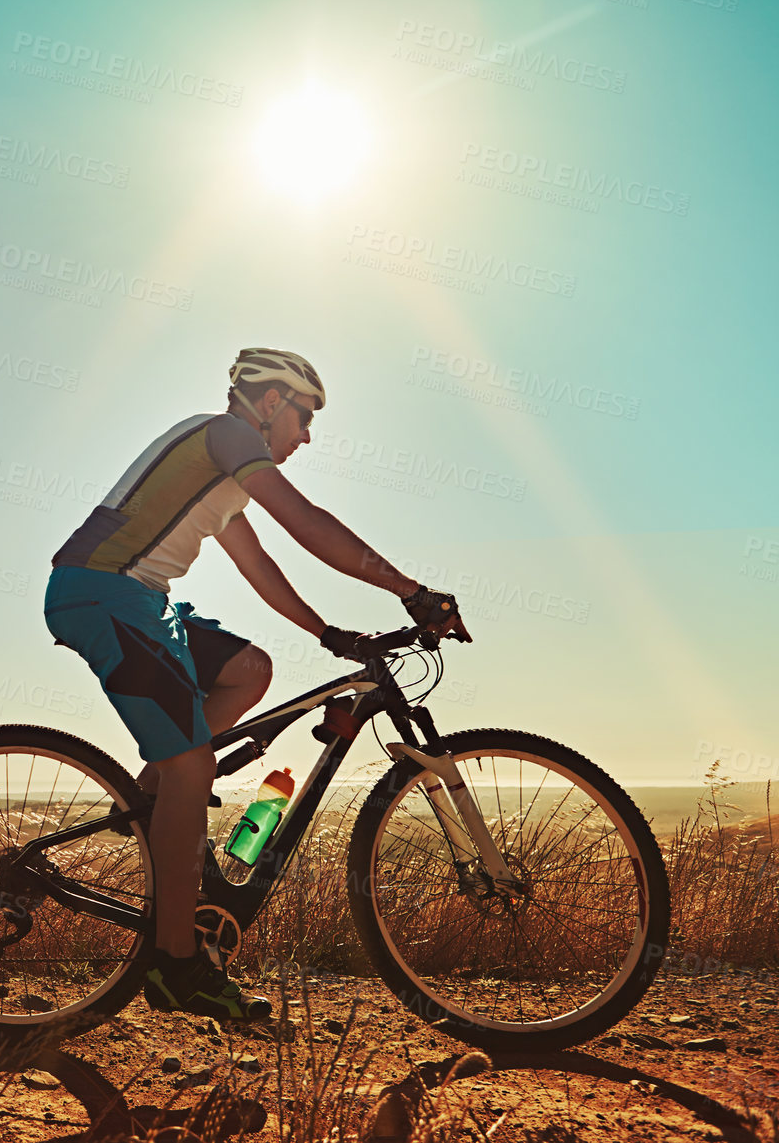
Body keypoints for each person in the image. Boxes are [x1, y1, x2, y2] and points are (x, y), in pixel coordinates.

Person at [43, 347, 466, 1020]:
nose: (306, 435)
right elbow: (304, 522)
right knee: (192, 765)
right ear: (269, 403)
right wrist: (409, 590)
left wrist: (327, 633)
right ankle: (176, 966)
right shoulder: (226, 433)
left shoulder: (222, 476)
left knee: (249, 671)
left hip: (140, 600)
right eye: (303, 416)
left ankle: (154, 794)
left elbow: (259, 562)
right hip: (102, 592)